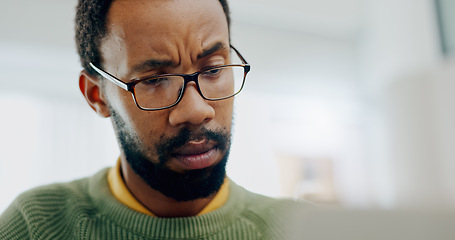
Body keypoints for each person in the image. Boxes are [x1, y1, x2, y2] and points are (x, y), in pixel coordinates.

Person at [0, 0, 311, 239]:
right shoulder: (35, 225)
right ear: (98, 96)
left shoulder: (304, 231)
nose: (197, 110)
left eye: (214, 69)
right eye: (155, 80)